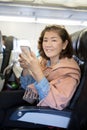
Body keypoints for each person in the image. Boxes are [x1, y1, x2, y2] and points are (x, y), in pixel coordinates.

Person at [19, 24, 81, 110]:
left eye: (54, 40)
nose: (48, 45)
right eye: (45, 40)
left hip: (48, 113)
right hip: (34, 104)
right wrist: (26, 68)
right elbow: (26, 86)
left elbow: (57, 102)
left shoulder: (69, 71)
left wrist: (37, 71)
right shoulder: (44, 62)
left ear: (64, 44)